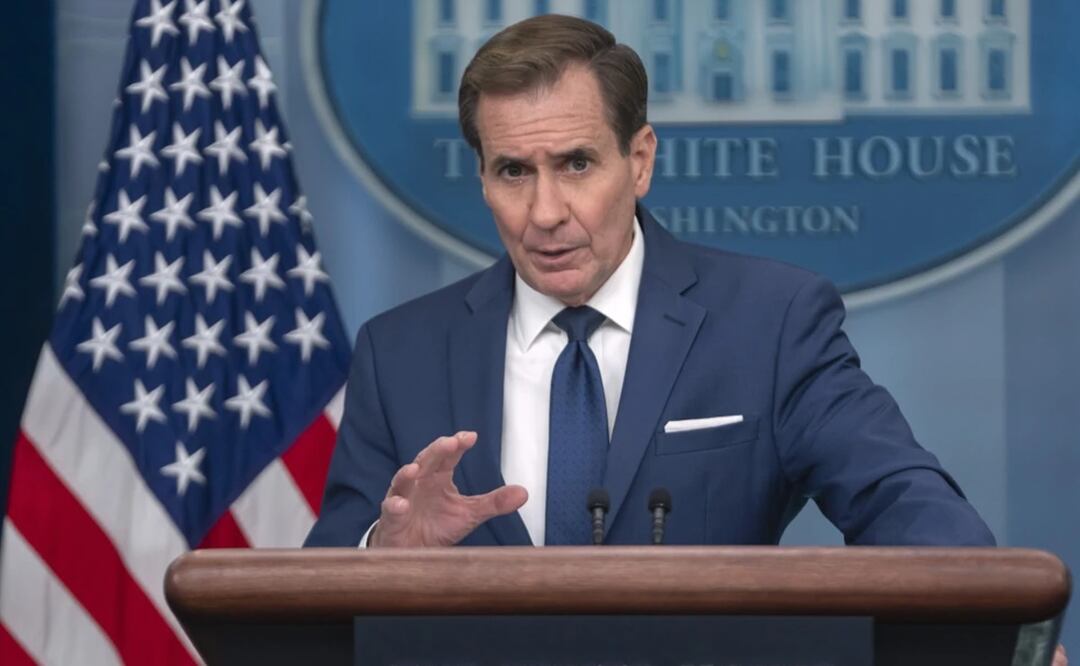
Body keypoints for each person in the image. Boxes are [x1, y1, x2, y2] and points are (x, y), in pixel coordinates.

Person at [304, 14, 996, 551]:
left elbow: (902, 500)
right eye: (514, 171)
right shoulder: (402, 354)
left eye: (576, 164)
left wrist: (993, 623)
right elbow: (322, 586)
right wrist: (385, 550)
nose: (545, 213)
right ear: (482, 178)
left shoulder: (770, 323)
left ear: (639, 161)